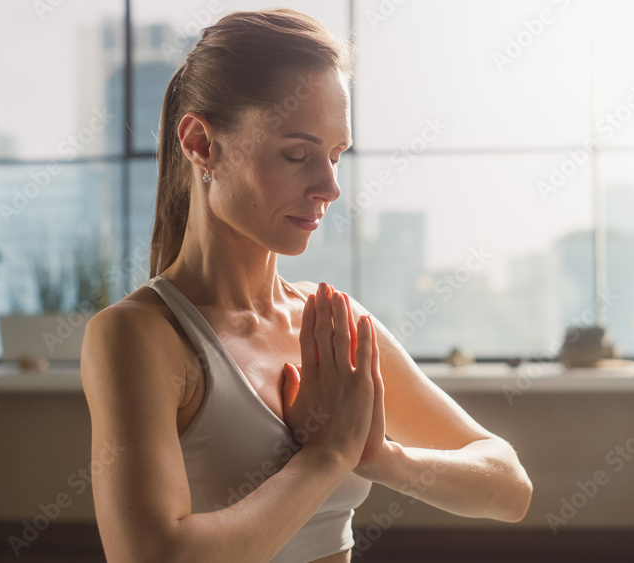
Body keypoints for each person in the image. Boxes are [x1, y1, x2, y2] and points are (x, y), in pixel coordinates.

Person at [81, 8, 532, 563]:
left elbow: (509, 486)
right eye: (297, 154)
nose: (329, 186)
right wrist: (326, 456)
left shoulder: (329, 324)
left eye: (337, 156)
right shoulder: (137, 336)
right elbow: (156, 555)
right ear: (201, 143)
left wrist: (379, 457)